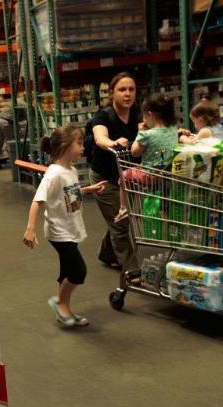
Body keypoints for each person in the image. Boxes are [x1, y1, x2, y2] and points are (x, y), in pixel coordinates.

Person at [22, 125, 105, 327]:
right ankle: (59, 301)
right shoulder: (54, 174)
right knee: (78, 271)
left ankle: (64, 309)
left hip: (71, 227)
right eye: (79, 143)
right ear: (66, 146)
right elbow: (37, 200)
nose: (83, 147)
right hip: (59, 231)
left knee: (67, 271)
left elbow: (69, 194)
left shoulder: (71, 170)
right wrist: (30, 228)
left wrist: (87, 190)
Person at [90, 72, 140, 278]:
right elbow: (99, 136)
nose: (127, 94)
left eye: (131, 89)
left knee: (117, 220)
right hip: (105, 178)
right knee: (121, 223)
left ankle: (106, 252)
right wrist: (112, 143)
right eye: (122, 89)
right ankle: (132, 270)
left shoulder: (139, 114)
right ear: (112, 93)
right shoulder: (104, 116)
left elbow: (157, 128)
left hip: (129, 177)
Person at [117, 93, 179, 221]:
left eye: (144, 116)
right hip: (167, 173)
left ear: (149, 114)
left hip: (149, 175)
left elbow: (135, 152)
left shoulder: (147, 134)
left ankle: (123, 208)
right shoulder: (173, 129)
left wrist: (141, 133)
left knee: (124, 176)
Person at [0, 100, 23, 169]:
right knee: (11, 142)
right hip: (6, 122)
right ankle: (13, 161)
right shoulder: (24, 106)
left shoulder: (16, 101)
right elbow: (25, 119)